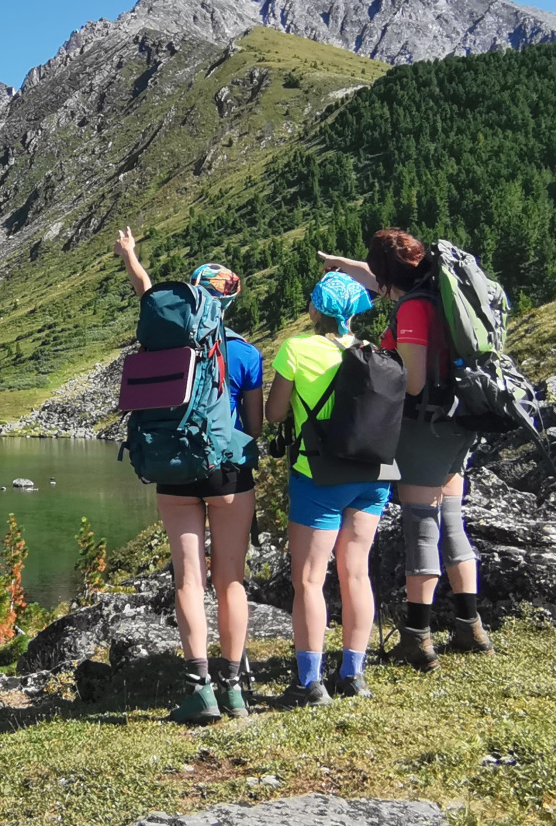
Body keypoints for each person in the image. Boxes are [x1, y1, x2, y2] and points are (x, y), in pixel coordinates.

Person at [320, 231, 493, 668]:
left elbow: (413, 381)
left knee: (422, 526)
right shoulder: (435, 289)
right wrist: (338, 262)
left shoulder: (413, 308)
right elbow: (378, 279)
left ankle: (418, 636)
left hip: (424, 427)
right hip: (457, 425)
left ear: (388, 273)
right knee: (452, 521)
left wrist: (375, 360)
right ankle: (470, 626)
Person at [114, 229, 262, 723]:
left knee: (188, 580)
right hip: (227, 472)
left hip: (173, 467)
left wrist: (131, 257)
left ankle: (200, 688)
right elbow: (256, 426)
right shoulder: (245, 354)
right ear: (227, 302)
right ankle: (235, 688)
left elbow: (146, 291)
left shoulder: (166, 344)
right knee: (231, 581)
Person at [264, 272, 390, 705]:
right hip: (372, 477)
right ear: (355, 312)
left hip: (318, 477)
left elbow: (276, 413)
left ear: (315, 309)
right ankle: (353, 675)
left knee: (309, 580)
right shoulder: (374, 353)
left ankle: (308, 682)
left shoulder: (297, 349)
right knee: (355, 572)